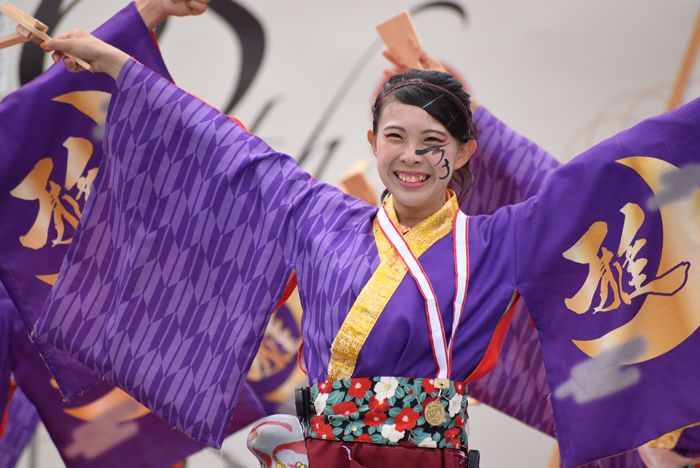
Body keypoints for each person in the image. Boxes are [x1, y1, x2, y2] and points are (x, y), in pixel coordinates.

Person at [36, 20, 700, 468]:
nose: (411, 158)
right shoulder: (316, 214)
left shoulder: (499, 242)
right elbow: (224, 150)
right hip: (324, 451)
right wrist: (117, 66)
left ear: (465, 152)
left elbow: (581, 187)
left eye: (433, 142)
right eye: (396, 138)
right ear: (373, 141)